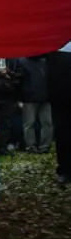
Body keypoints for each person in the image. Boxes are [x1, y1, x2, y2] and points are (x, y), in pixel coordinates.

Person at [15, 55, 52, 153]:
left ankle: (39, 146)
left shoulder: (23, 61)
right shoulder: (44, 62)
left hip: (40, 97)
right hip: (31, 97)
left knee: (36, 123)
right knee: (33, 123)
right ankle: (36, 146)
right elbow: (19, 81)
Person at [49, 45, 71, 184]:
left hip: (59, 97)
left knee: (63, 133)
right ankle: (65, 169)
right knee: (63, 134)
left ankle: (65, 170)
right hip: (61, 98)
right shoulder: (57, 49)